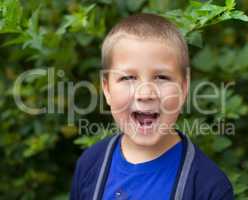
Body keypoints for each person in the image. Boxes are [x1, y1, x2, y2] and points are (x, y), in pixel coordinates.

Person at [70, 13, 234, 200]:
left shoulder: (208, 187)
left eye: (161, 77)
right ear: (107, 89)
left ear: (183, 88)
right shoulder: (91, 163)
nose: (145, 94)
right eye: (128, 77)